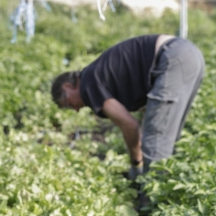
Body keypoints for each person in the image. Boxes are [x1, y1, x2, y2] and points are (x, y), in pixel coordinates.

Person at [50, 35, 205, 180]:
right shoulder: (95, 75)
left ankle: (152, 203)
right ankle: (172, 188)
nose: (75, 109)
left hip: (172, 57)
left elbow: (130, 125)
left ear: (68, 86)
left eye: (69, 104)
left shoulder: (88, 86)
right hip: (188, 54)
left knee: (156, 140)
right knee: (168, 137)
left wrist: (136, 163)